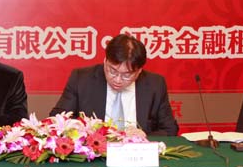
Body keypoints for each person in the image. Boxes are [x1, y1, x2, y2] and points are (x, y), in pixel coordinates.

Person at [50, 33, 179, 136]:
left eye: (126, 75)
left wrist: (145, 136)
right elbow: (57, 118)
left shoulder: (155, 84)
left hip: (136, 155)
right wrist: (82, 131)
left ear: (139, 71)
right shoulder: (82, 79)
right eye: (112, 71)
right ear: (105, 61)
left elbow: (169, 129)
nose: (117, 79)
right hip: (94, 154)